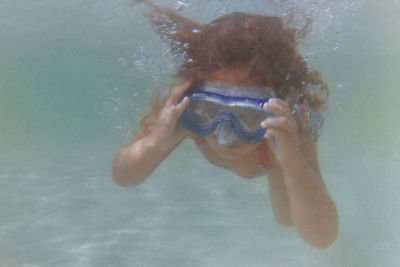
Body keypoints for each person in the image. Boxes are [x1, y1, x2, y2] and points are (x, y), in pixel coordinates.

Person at [112, 0, 339, 249]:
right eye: (209, 110)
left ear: (275, 108)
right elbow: (124, 177)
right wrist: (155, 143)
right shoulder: (185, 110)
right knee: (290, 214)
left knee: (287, 218)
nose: (225, 137)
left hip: (271, 151)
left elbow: (323, 237)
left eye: (250, 115)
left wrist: (292, 161)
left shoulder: (288, 128)